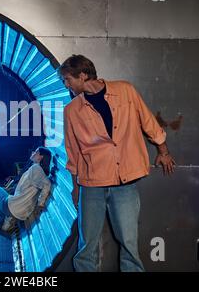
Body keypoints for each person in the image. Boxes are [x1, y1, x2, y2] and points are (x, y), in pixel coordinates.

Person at [59, 54, 177, 272]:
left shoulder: (125, 91)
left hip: (125, 182)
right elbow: (72, 151)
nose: (66, 84)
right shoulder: (71, 110)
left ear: (83, 75)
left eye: (67, 79)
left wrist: (164, 151)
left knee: (129, 244)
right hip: (91, 183)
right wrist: (76, 188)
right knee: (87, 246)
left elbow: (148, 121)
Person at [0, 147, 52, 232]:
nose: (33, 153)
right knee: (0, 202)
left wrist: (40, 204)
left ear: (41, 157)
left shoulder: (36, 168)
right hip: (23, 212)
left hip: (14, 207)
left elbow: (47, 184)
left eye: (36, 152)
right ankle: (7, 221)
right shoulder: (38, 170)